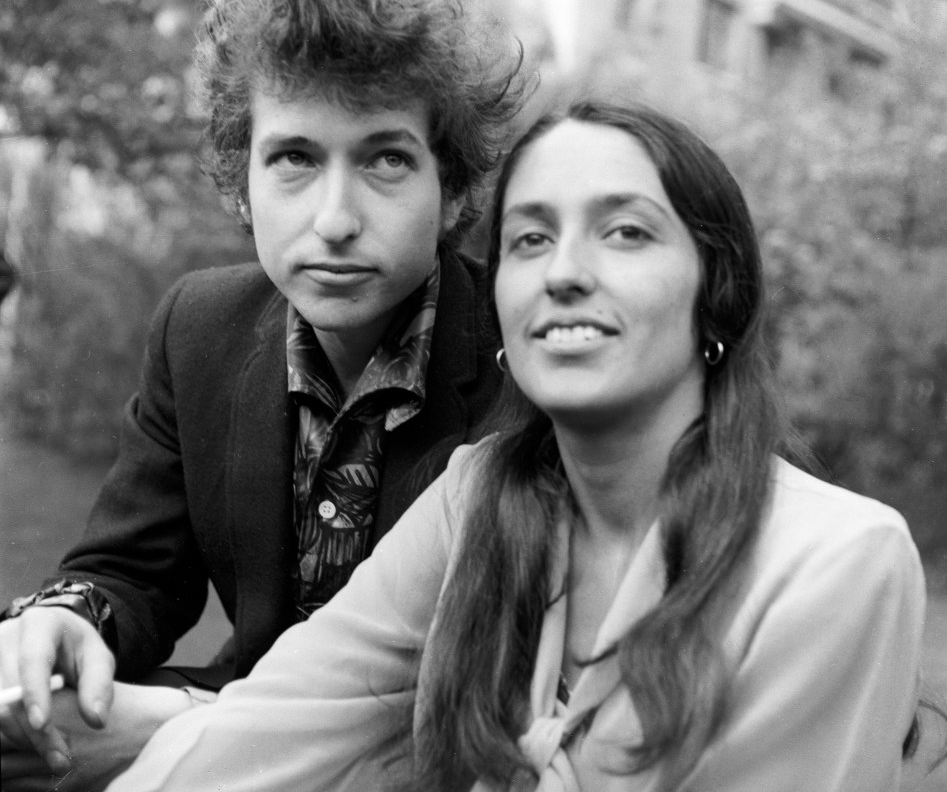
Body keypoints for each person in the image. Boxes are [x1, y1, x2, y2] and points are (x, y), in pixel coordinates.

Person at [103, 100, 926, 792]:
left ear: (716, 291)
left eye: (625, 233)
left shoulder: (838, 560)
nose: (563, 271)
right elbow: (271, 721)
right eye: (530, 239)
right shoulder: (478, 495)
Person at [0, 0, 525, 789]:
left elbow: (488, 695)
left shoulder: (524, 368)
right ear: (239, 182)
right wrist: (68, 621)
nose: (334, 217)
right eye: (293, 158)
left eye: (386, 159)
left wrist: (176, 729)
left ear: (455, 186)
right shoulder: (198, 327)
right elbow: (131, 571)